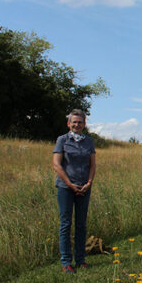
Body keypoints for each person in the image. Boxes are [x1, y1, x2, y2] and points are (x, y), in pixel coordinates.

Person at [52, 109, 96, 273]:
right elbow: (57, 164)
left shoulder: (88, 141)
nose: (77, 125)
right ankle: (66, 262)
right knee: (66, 224)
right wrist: (70, 184)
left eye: (80, 122)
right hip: (65, 188)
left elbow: (92, 165)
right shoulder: (62, 140)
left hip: (84, 187)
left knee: (81, 224)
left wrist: (89, 182)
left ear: (84, 124)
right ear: (68, 123)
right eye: (74, 122)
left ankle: (80, 259)